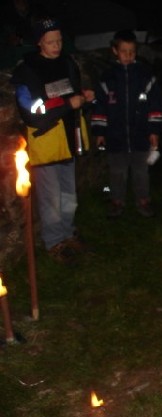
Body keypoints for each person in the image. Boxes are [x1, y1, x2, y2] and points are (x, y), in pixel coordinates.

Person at [10, 17, 94, 264]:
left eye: (59, 41)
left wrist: (83, 97)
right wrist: (68, 104)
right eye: (50, 42)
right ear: (39, 42)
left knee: (68, 194)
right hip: (46, 142)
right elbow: (32, 113)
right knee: (51, 197)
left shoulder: (67, 63)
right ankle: (54, 241)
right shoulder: (27, 72)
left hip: (68, 139)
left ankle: (67, 233)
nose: (56, 46)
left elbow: (70, 92)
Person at [91, 30, 162, 219]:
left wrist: (154, 130)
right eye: (124, 51)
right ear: (115, 51)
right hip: (115, 136)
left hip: (141, 135)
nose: (128, 55)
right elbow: (100, 106)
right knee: (117, 171)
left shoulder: (145, 76)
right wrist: (100, 131)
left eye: (132, 51)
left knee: (141, 171)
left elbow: (155, 103)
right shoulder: (107, 78)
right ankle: (116, 201)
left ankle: (143, 201)